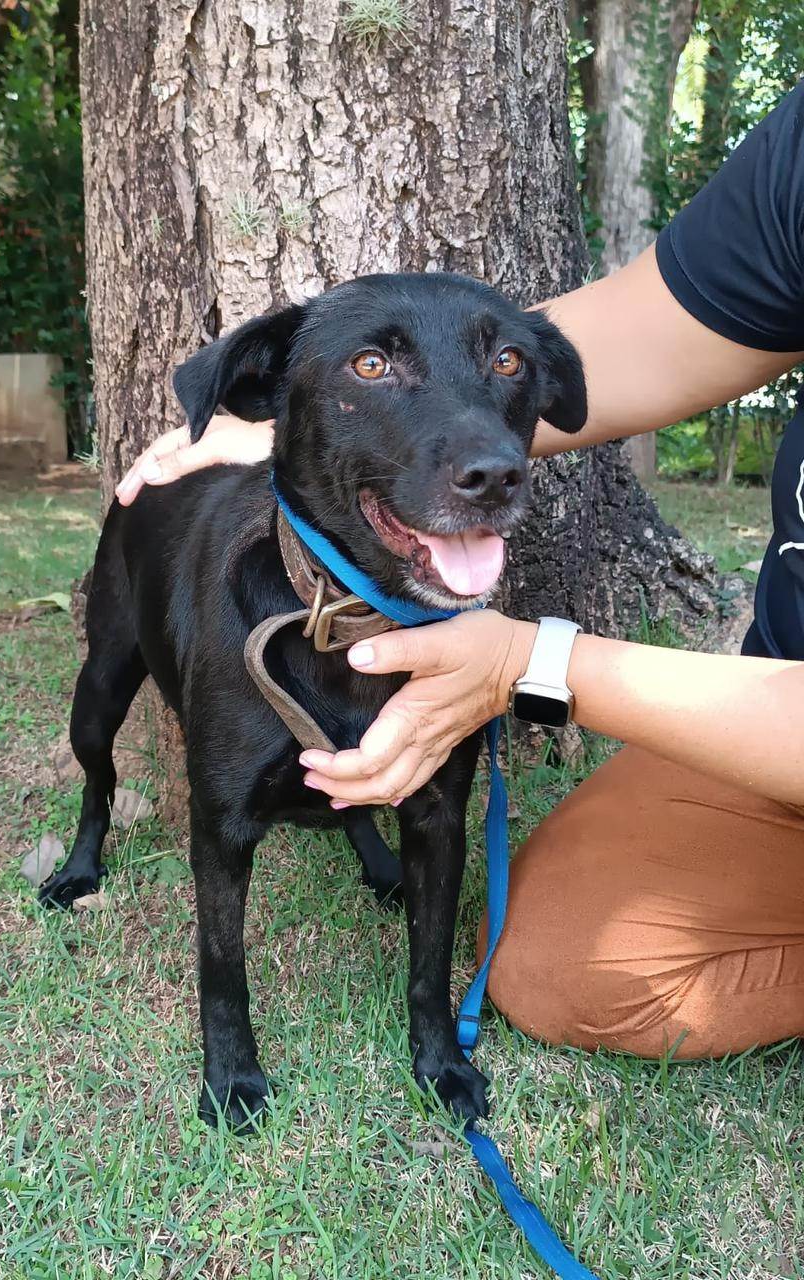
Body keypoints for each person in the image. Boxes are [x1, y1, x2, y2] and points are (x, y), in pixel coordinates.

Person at [115, 86, 804, 1060]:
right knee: (552, 959)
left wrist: (534, 662)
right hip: (771, 704)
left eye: (503, 372)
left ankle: (430, 1028)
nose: (488, 455)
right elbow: (646, 329)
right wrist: (256, 408)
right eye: (374, 368)